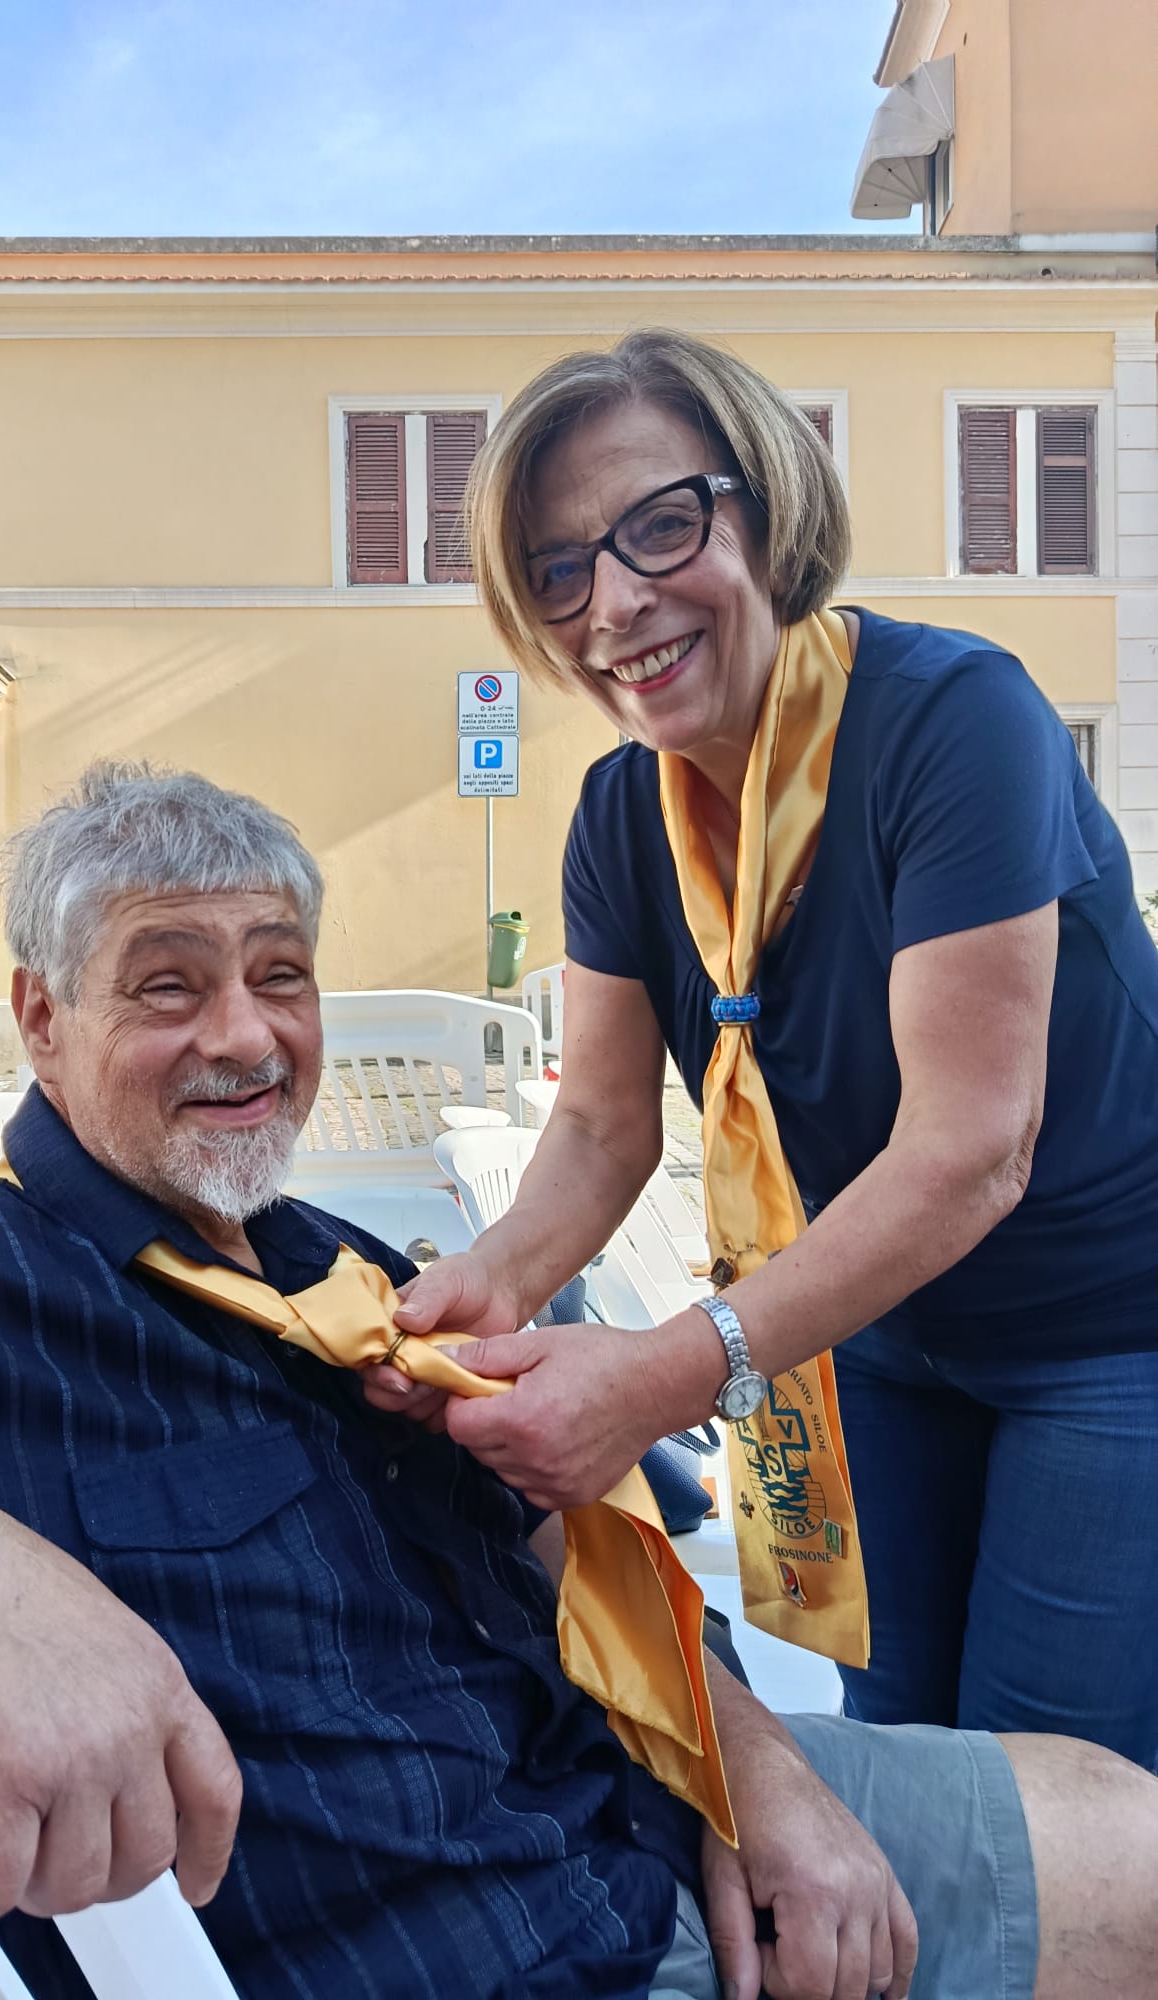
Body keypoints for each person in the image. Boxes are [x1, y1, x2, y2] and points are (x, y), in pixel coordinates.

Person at [0, 764, 1154, 2000]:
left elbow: (569, 1545)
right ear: (42, 1019)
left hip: (645, 1814)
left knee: (1129, 1832)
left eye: (281, 977)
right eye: (166, 987)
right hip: (504, 1950)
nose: (244, 1036)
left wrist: (754, 1784)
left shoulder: (341, 1269)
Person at [375, 328, 1158, 1771]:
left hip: (1108, 1328)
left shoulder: (954, 721)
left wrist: (666, 1373)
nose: (616, 600)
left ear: (766, 510)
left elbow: (972, 1149)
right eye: (559, 569)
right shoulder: (621, 815)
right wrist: (482, 1287)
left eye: (661, 525)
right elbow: (603, 1129)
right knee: (902, 1756)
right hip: (874, 1337)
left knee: (1057, 1788)